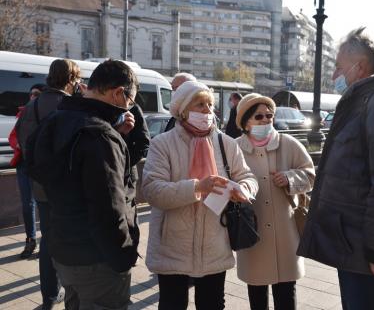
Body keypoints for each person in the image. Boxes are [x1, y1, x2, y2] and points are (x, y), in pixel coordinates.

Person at [297, 27, 374, 310]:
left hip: (366, 250)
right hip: (353, 245)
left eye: (338, 68)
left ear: (360, 67)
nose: (333, 77)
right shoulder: (362, 102)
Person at [26, 59, 140, 309]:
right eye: (130, 101)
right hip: (97, 259)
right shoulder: (99, 136)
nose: (129, 107)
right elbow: (109, 207)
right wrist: (123, 256)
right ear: (118, 93)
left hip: (64, 248)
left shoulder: (59, 118)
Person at [142, 81, 258, 310]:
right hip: (172, 248)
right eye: (200, 104)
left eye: (210, 104)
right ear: (183, 110)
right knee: (172, 305)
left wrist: (243, 190)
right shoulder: (162, 144)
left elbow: (248, 177)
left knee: (213, 305)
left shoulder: (226, 144)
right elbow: (153, 191)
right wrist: (197, 187)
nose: (207, 110)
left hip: (215, 246)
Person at [234, 93, 315, 310]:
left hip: (285, 231)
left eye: (269, 115)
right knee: (257, 292)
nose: (265, 120)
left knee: (286, 292)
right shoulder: (234, 147)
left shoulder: (289, 143)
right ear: (245, 121)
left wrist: (290, 178)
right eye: (258, 116)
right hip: (252, 232)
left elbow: (311, 175)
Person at [17, 60, 82, 310]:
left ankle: (49, 297)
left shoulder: (32, 106)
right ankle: (72, 291)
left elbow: (25, 145)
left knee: (48, 240)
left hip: (42, 187)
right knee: (72, 239)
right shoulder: (71, 106)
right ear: (71, 79)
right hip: (70, 189)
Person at [9, 83, 46, 259]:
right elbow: (12, 135)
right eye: (31, 94)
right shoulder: (22, 113)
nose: (32, 97)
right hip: (23, 163)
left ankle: (46, 242)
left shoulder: (47, 114)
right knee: (27, 204)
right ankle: (30, 240)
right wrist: (17, 144)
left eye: (37, 94)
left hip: (39, 164)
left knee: (44, 203)